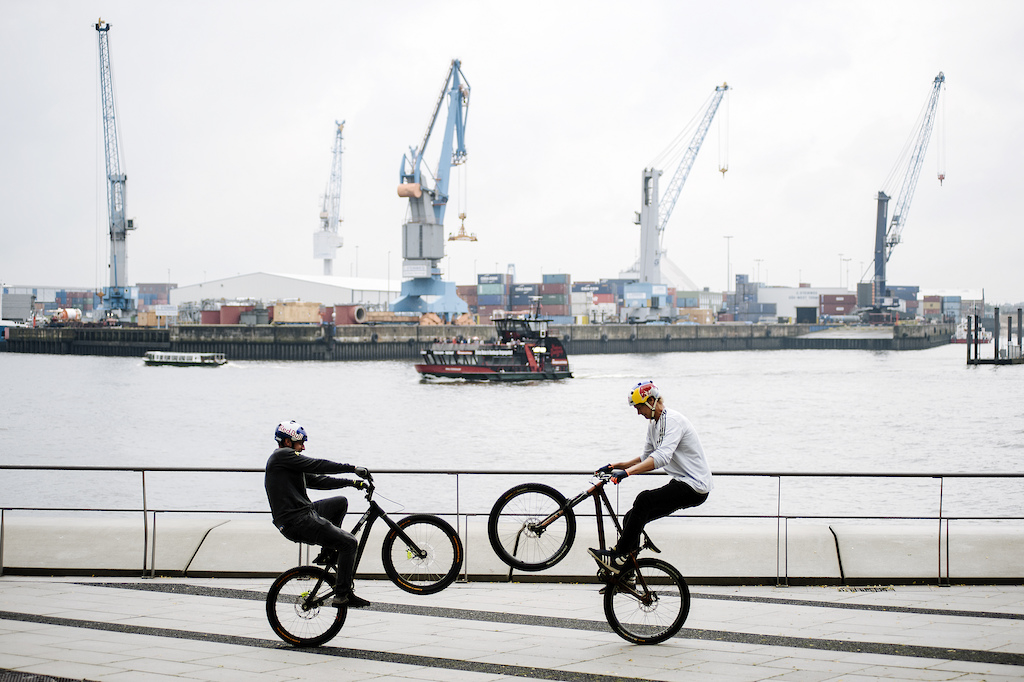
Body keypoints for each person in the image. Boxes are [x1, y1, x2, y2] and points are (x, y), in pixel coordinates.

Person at [589, 380, 713, 574]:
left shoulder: (673, 421)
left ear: (652, 401)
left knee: (644, 499)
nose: (638, 413)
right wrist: (616, 466)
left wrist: (627, 473)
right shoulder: (654, 425)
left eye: (639, 408)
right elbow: (646, 458)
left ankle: (618, 556)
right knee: (631, 517)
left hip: (695, 486)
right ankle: (628, 573)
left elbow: (662, 457)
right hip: (682, 482)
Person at [264, 420, 372, 608]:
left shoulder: (287, 463)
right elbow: (317, 465)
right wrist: (352, 468)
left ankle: (327, 554)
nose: (303, 447)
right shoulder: (283, 455)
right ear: (288, 442)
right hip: (297, 521)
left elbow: (318, 481)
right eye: (300, 443)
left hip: (303, 513)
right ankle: (342, 595)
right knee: (349, 543)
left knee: (339, 503)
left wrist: (351, 483)